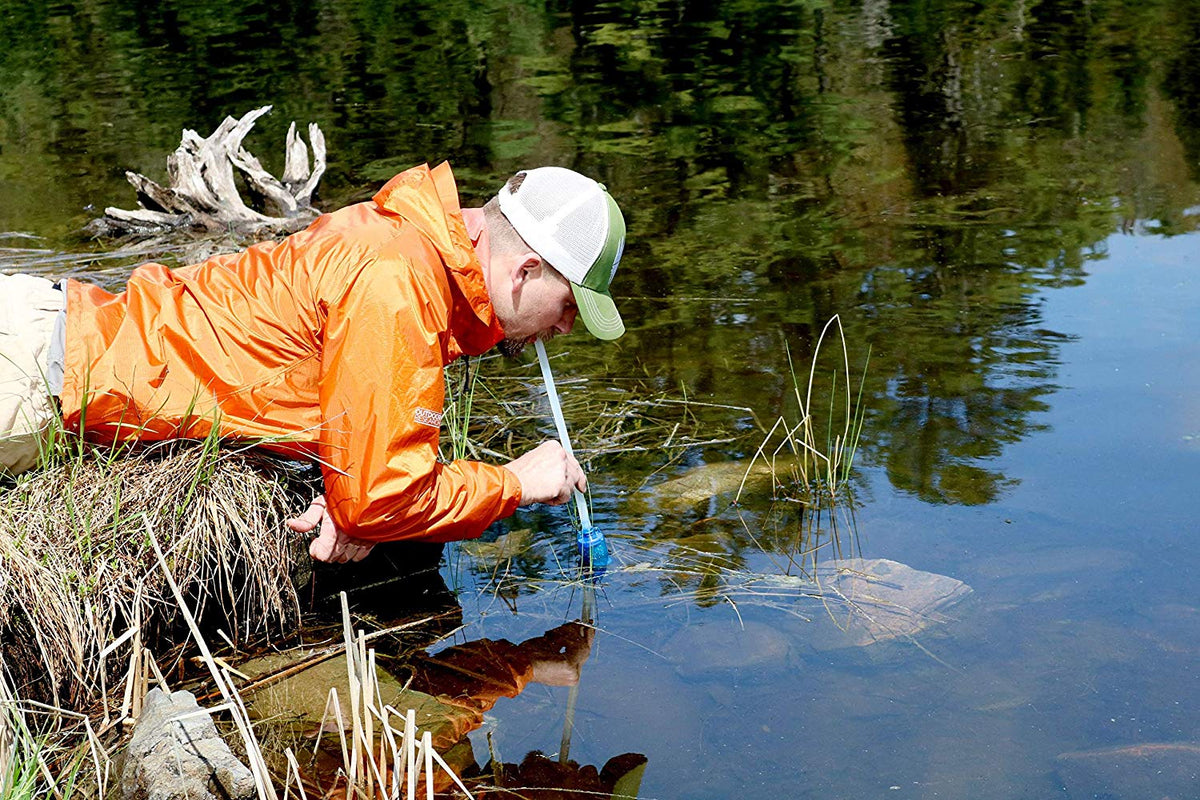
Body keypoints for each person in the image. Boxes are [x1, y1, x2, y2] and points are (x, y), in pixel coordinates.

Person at [0, 162, 627, 563]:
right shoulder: (398, 282)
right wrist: (514, 483)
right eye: (569, 304)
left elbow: (310, 395)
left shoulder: (405, 246)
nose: (565, 327)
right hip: (29, 376)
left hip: (50, 334)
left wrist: (348, 481)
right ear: (524, 270)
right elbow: (380, 499)